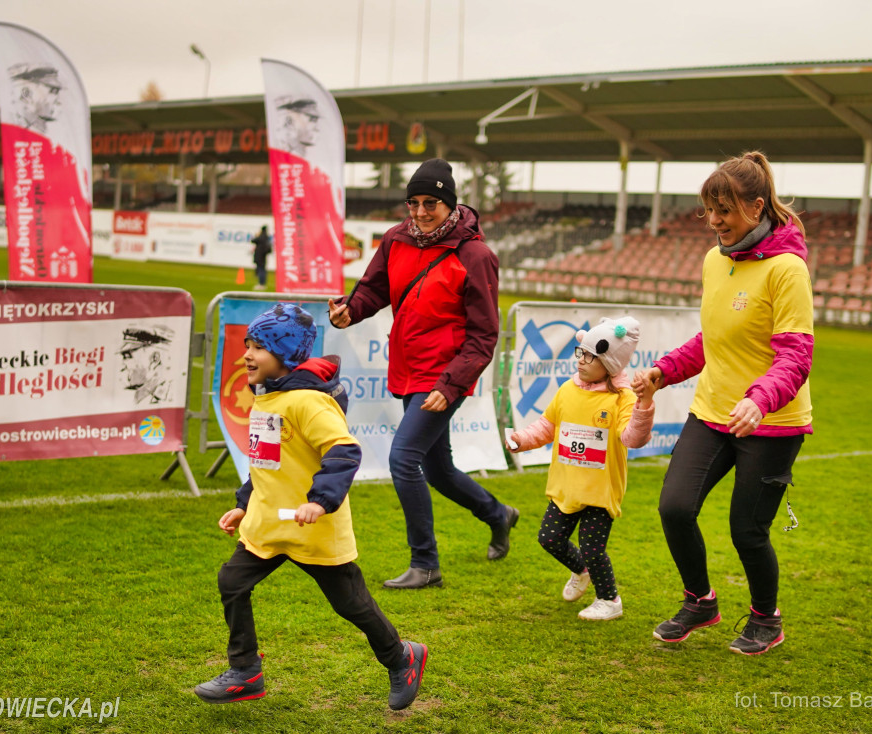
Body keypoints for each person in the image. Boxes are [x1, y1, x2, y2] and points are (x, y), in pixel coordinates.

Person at [194, 303, 427, 710]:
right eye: (247, 346)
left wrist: (320, 502)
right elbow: (266, 462)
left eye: (258, 347)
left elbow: (343, 450)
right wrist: (245, 504)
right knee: (232, 581)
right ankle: (245, 671)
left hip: (312, 525)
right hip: (269, 523)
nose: (247, 355)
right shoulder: (267, 396)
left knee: (350, 603)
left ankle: (402, 657)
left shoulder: (307, 402)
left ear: (284, 353)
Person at [632, 150, 813, 656]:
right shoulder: (715, 260)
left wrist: (759, 399)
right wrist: (663, 371)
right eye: (709, 210)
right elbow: (711, 339)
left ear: (756, 207)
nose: (713, 221)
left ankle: (765, 619)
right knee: (674, 507)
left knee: (747, 531)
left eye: (724, 210)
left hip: (772, 422)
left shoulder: (787, 269)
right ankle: (700, 602)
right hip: (711, 413)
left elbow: (796, 355)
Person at [327, 158, 518, 590]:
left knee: (403, 457)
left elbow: (484, 335)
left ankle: (425, 564)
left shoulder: (477, 256)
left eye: (430, 202)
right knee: (438, 469)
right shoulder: (396, 238)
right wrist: (350, 311)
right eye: (413, 202)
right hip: (408, 365)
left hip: (445, 373)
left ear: (449, 203)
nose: (420, 211)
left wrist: (450, 386)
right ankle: (498, 514)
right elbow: (374, 288)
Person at [508, 316, 654, 620]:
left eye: (590, 356)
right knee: (549, 539)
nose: (581, 360)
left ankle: (609, 600)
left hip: (600, 491)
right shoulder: (567, 389)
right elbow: (547, 426)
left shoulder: (623, 399)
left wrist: (644, 407)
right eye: (580, 353)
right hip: (566, 486)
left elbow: (633, 439)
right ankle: (581, 571)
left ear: (609, 364)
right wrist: (521, 440)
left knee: (592, 548)